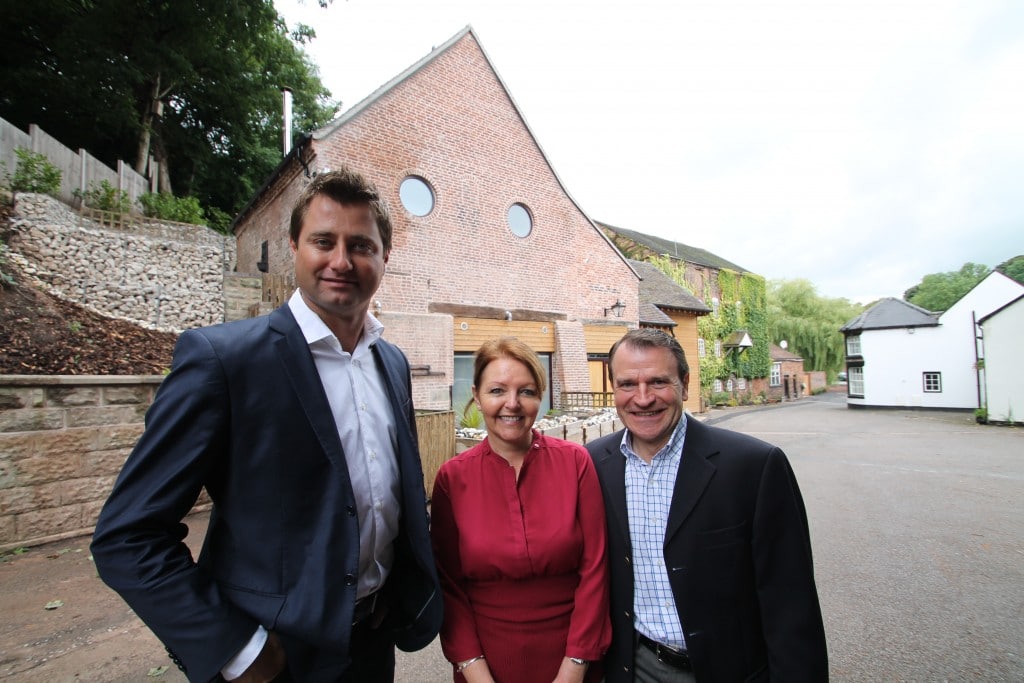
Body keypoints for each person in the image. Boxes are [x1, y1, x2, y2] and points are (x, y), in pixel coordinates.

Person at [90, 167, 442, 683]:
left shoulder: (390, 363)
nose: (341, 261)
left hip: (371, 646)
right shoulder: (223, 361)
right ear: (294, 246)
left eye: (361, 245)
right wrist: (236, 650)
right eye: (324, 241)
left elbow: (388, 496)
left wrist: (397, 590)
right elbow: (127, 536)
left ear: (384, 257)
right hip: (276, 660)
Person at [586, 329, 828, 682]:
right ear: (613, 389)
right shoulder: (592, 463)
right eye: (627, 384)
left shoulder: (754, 465)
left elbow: (790, 601)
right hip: (635, 668)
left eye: (658, 382)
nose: (642, 398)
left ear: (684, 384)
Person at [430, 337, 611, 683]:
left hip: (574, 660)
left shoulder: (575, 463)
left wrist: (574, 667)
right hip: (485, 665)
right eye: (497, 390)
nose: (511, 404)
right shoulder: (452, 478)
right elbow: (449, 586)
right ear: (477, 395)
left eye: (526, 392)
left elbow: (596, 570)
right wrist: (476, 673)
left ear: (540, 398)